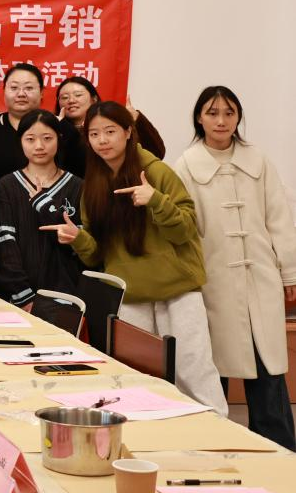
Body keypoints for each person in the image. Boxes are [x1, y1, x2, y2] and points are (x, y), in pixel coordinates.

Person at [40, 101, 227, 414]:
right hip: (130, 293)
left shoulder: (155, 171)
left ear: (128, 132)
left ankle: (218, 431)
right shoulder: (93, 184)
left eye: (110, 131)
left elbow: (186, 230)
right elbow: (97, 256)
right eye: (94, 134)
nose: (102, 140)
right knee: (136, 374)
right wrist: (78, 238)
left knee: (193, 369)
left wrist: (156, 201)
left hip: (177, 289)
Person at [173, 87, 296, 449]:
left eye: (229, 113)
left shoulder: (258, 160)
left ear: (238, 117)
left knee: (269, 366)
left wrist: (289, 271)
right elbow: (186, 230)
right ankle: (218, 450)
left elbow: (279, 218)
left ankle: (281, 452)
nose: (221, 121)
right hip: (214, 283)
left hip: (261, 277)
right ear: (199, 118)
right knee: (213, 370)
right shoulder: (187, 165)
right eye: (212, 113)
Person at [0, 109, 85, 328]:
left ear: (59, 139)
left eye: (47, 138)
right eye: (30, 139)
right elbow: (5, 243)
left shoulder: (77, 185)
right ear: (20, 142)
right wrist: (23, 295)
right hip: (18, 296)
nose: (39, 146)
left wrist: (44, 205)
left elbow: (77, 246)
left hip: (65, 295)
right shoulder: (8, 184)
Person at [55, 77, 165, 175]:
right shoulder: (53, 130)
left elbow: (156, 153)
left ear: (94, 99)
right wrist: (63, 128)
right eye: (64, 97)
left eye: (78, 95)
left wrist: (136, 120)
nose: (71, 100)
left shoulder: (115, 124)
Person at [0, 63, 45, 185]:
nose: (21, 94)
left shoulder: (55, 128)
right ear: (4, 91)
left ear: (41, 92)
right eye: (14, 88)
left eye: (29, 88)